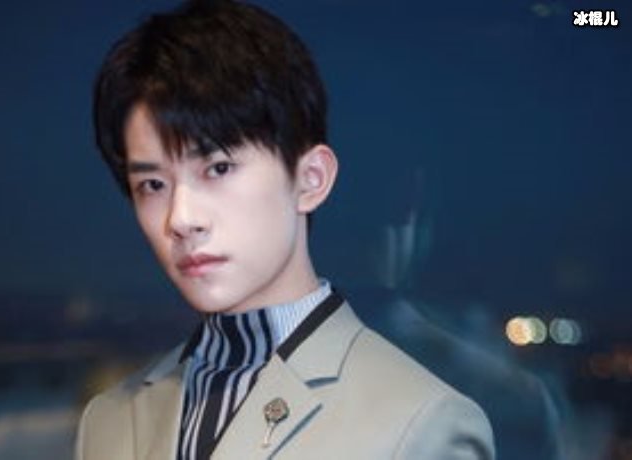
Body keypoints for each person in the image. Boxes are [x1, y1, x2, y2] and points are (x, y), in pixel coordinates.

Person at [76, 1, 495, 459]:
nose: (180, 219)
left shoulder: (422, 425)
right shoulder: (107, 420)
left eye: (218, 168)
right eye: (153, 185)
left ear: (311, 179)